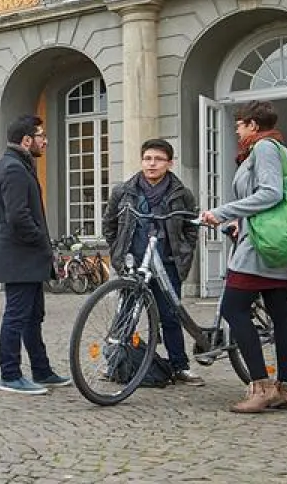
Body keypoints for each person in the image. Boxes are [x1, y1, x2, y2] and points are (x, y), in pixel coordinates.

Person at [201, 100, 287, 413]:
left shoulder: (264, 149)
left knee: (234, 309)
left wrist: (222, 212)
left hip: (261, 247)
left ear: (253, 126)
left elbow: (270, 193)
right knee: (280, 313)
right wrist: (239, 220)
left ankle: (260, 388)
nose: (236, 129)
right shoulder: (279, 149)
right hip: (277, 243)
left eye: (240, 124)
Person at [103, 138, 203, 386]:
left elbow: (191, 228)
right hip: (133, 262)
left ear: (169, 163)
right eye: (147, 158)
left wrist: (184, 253)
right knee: (126, 316)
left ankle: (180, 366)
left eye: (158, 159)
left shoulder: (182, 195)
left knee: (170, 316)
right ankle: (114, 363)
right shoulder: (124, 191)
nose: (152, 164)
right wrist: (118, 250)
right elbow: (110, 225)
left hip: (167, 263)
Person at [0, 114, 69, 395]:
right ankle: (10, 375)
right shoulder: (13, 169)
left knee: (33, 316)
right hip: (20, 257)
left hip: (28, 257)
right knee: (16, 317)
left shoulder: (20, 165)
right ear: (26, 140)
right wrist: (42, 243)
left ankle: (42, 370)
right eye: (41, 136)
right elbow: (18, 217)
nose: (45, 141)